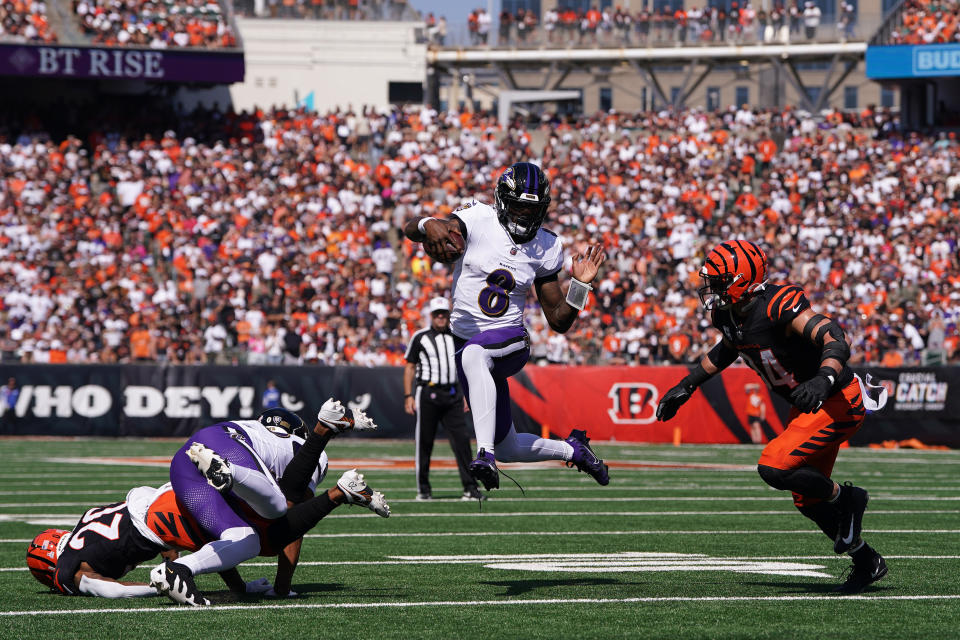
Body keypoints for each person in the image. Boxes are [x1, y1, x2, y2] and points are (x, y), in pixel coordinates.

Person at [655, 240, 888, 594]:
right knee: (806, 498)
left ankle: (848, 499)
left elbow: (834, 338)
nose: (711, 289)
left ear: (741, 281)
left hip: (837, 398)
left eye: (718, 282)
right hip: (809, 407)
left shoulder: (779, 304)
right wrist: (687, 385)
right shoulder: (729, 314)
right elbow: (728, 348)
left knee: (774, 466)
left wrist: (823, 379)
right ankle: (866, 560)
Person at [26, 407, 390, 601]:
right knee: (260, 528)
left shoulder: (71, 568)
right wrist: (256, 587)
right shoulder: (87, 519)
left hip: (176, 503)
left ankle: (332, 471)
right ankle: (338, 485)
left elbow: (109, 585)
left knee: (274, 515)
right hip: (173, 489)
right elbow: (208, 547)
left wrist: (152, 588)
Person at [402, 161, 610, 493]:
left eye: (532, 209)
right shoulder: (476, 218)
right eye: (518, 207)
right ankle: (575, 450)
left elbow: (558, 320)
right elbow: (412, 228)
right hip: (468, 345)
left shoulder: (546, 246)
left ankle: (484, 455)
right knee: (510, 446)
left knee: (475, 354)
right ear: (502, 201)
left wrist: (579, 286)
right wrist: (429, 224)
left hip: (509, 340)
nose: (525, 215)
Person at [148, 399, 383, 605]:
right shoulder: (303, 449)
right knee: (280, 510)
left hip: (184, 464)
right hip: (227, 449)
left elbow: (215, 541)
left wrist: (239, 588)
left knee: (245, 539)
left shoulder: (253, 432)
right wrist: (282, 588)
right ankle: (323, 432)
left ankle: (179, 569)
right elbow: (294, 523)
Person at [404, 296, 483, 501]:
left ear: (448, 315)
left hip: (453, 394)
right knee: (424, 442)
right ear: (431, 316)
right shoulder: (420, 337)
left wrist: (467, 393)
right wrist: (408, 395)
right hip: (427, 394)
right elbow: (410, 367)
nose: (440, 317)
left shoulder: (458, 336)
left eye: (443, 314)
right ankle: (424, 489)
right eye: (437, 314)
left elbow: (466, 367)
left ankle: (470, 487)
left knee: (462, 442)